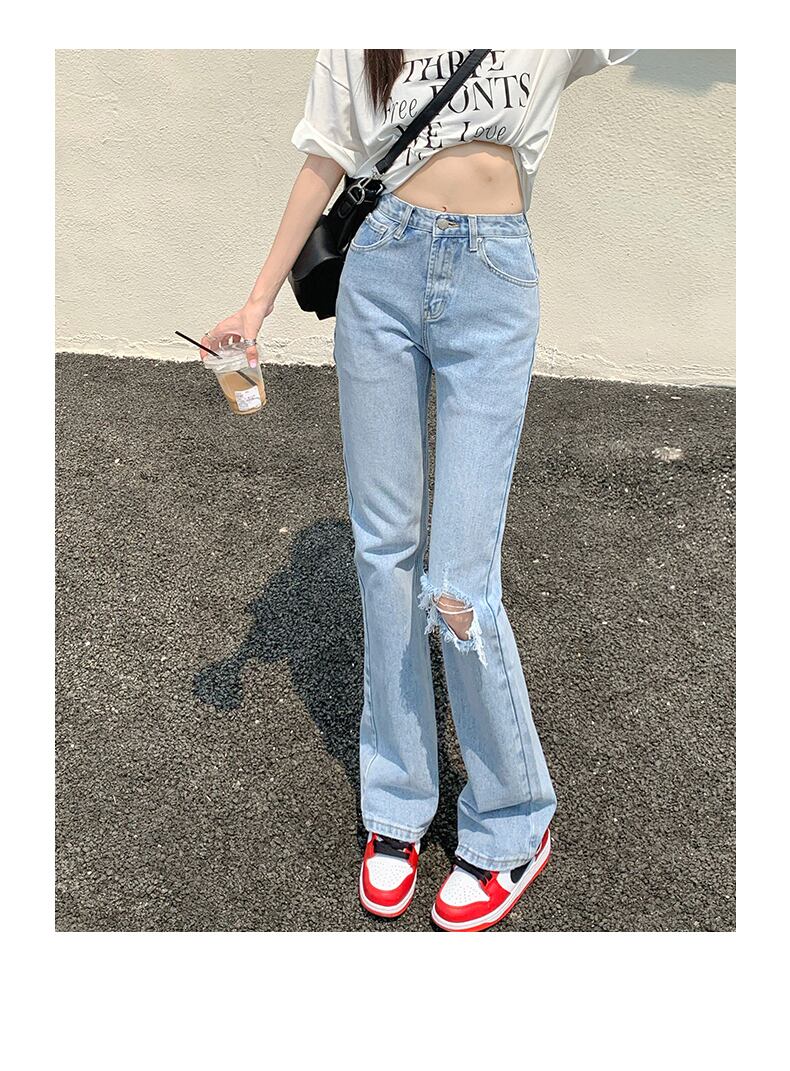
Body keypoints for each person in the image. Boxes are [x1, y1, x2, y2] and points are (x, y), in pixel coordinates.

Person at [202, 48, 637, 932]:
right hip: (382, 270)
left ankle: (514, 820)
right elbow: (326, 155)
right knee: (383, 552)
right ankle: (397, 805)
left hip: (492, 277)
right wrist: (256, 302)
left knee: (461, 582)